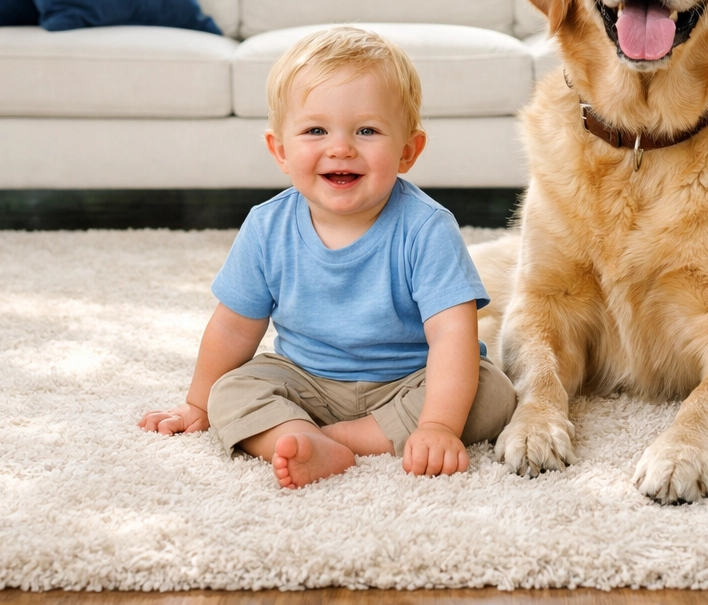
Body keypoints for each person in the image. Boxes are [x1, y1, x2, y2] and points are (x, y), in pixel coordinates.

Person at [138, 26, 516, 488]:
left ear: (407, 151)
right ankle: (299, 435)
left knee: (491, 393)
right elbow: (234, 326)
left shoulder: (426, 227)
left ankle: (341, 438)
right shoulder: (267, 226)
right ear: (279, 150)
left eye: (367, 130)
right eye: (316, 130)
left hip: (411, 379)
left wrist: (438, 425)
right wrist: (197, 404)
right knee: (229, 392)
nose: (341, 147)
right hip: (306, 379)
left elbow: (451, 336)